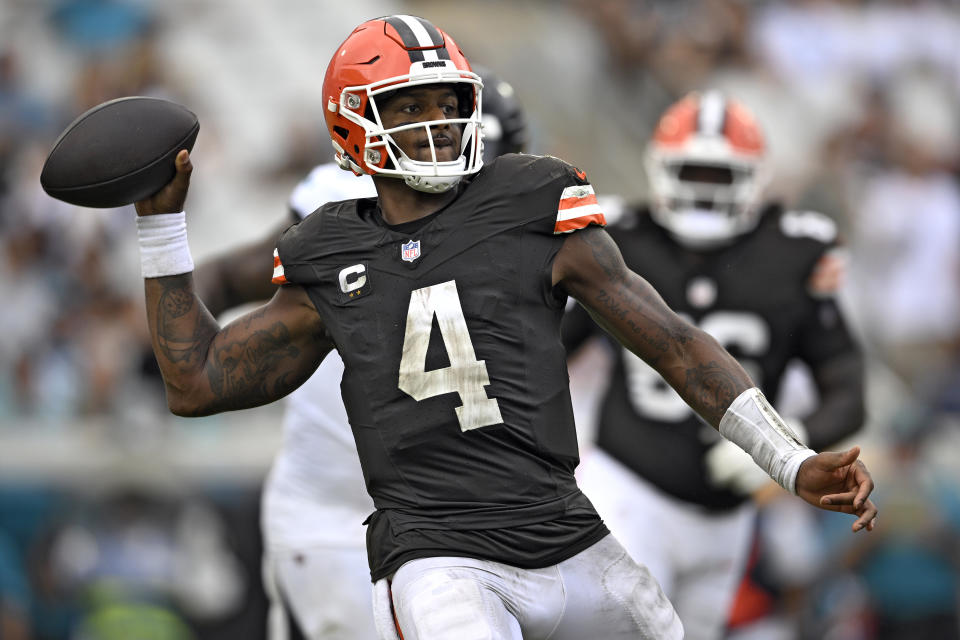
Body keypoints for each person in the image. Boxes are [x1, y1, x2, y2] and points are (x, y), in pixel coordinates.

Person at [130, 15, 877, 640]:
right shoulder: (328, 249)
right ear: (351, 122)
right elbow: (199, 383)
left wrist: (790, 461)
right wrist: (161, 226)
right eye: (408, 105)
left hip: (565, 535)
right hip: (438, 557)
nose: (433, 122)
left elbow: (675, 344)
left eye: (444, 101)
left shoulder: (532, 201)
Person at [192, 65, 529, 640]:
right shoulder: (342, 207)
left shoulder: (528, 235)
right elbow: (223, 278)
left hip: (463, 521)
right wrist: (166, 352)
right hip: (338, 519)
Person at [562, 90, 867, 640]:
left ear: (753, 178)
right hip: (630, 485)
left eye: (718, 174)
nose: (702, 187)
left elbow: (847, 387)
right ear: (660, 169)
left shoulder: (794, 252)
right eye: (691, 170)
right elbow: (551, 347)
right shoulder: (620, 237)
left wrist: (791, 440)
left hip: (731, 513)